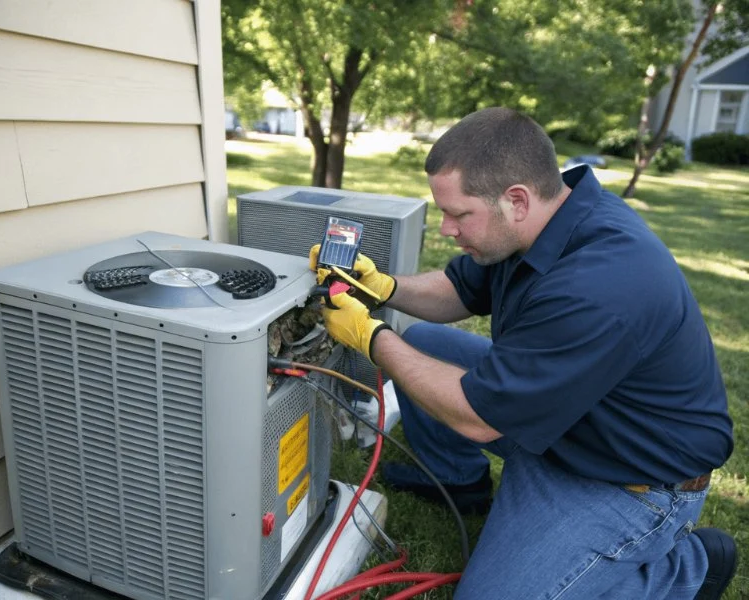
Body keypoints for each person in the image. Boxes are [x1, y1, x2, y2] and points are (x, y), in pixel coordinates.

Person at [310, 107, 737, 599]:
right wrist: (384, 288)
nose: (446, 229)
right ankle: (460, 482)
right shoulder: (546, 221)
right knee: (425, 342)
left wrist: (371, 337)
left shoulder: (600, 285)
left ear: (516, 200)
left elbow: (477, 417)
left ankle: (688, 569)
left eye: (458, 214)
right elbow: (458, 290)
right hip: (566, 424)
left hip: (629, 478)